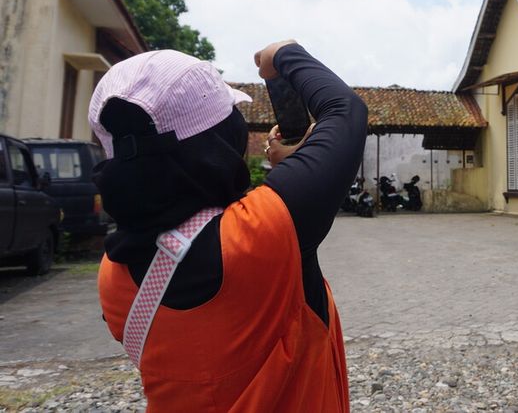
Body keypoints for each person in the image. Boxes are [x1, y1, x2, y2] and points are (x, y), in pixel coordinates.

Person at [92, 40, 367, 412]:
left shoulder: (114, 275)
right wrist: (284, 53)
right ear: (220, 138)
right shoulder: (263, 234)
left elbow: (196, 227)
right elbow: (345, 111)